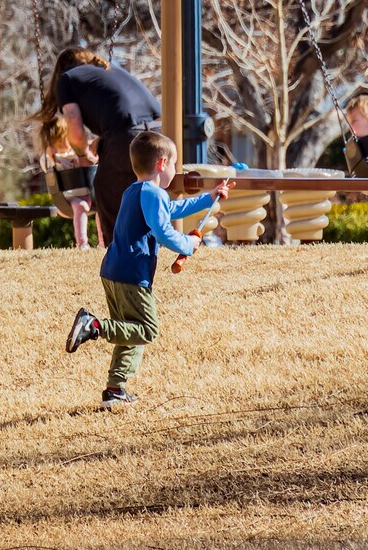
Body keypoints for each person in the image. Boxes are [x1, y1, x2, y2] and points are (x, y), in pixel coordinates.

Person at [62, 131, 228, 408]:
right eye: (174, 165)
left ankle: (115, 389)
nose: (175, 171)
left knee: (130, 332)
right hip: (131, 274)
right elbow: (162, 231)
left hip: (113, 270)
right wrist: (188, 244)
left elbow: (171, 210)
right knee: (146, 330)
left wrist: (208, 198)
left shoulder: (135, 190)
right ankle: (94, 326)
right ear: (162, 163)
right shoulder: (153, 192)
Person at [35, 46, 163, 245]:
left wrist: (83, 152)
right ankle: (154, 244)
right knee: (146, 194)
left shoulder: (67, 79)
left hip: (125, 135)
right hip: (159, 135)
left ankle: (118, 253)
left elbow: (74, 127)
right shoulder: (114, 71)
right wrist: (105, 138)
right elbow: (150, 113)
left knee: (106, 189)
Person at [33, 110, 97, 248]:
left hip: (89, 194)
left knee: (104, 208)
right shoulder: (51, 159)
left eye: (65, 139)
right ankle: (82, 243)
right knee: (81, 207)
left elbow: (92, 162)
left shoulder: (76, 153)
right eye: (59, 142)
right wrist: (50, 154)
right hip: (67, 199)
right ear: (51, 144)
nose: (63, 144)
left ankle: (105, 242)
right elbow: (45, 165)